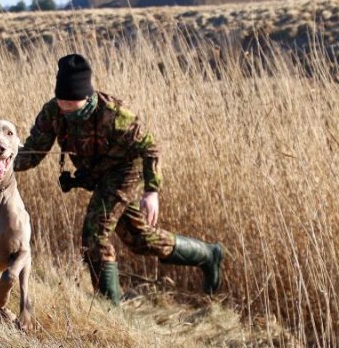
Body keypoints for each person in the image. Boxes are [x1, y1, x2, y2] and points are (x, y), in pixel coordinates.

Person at [14, 53, 224, 305]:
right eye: (62, 103)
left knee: (95, 235)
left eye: (73, 106)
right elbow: (33, 152)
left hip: (126, 172)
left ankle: (109, 309)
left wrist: (151, 192)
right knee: (139, 239)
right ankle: (208, 255)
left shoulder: (114, 114)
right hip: (98, 177)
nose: (67, 110)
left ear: (86, 97)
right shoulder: (52, 112)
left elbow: (150, 148)